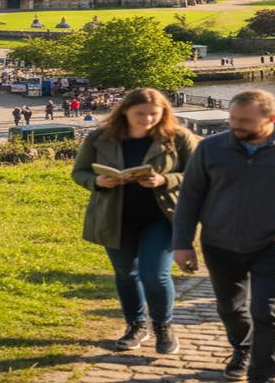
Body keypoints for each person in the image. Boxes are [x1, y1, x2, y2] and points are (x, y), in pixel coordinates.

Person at [173, 89, 275, 382]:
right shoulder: (210, 148)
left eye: (245, 121)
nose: (235, 125)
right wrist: (182, 243)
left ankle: (264, 375)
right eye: (233, 118)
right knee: (230, 308)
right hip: (219, 244)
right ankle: (242, 347)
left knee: (268, 312)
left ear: (272, 119)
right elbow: (190, 197)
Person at [72, 88, 198, 356]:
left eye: (154, 113)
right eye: (140, 113)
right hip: (115, 216)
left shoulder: (178, 137)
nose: (147, 119)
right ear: (125, 111)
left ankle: (164, 327)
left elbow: (199, 174)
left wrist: (166, 180)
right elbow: (79, 172)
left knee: (155, 274)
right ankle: (135, 326)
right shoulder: (100, 137)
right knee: (126, 275)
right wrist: (96, 181)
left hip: (162, 216)